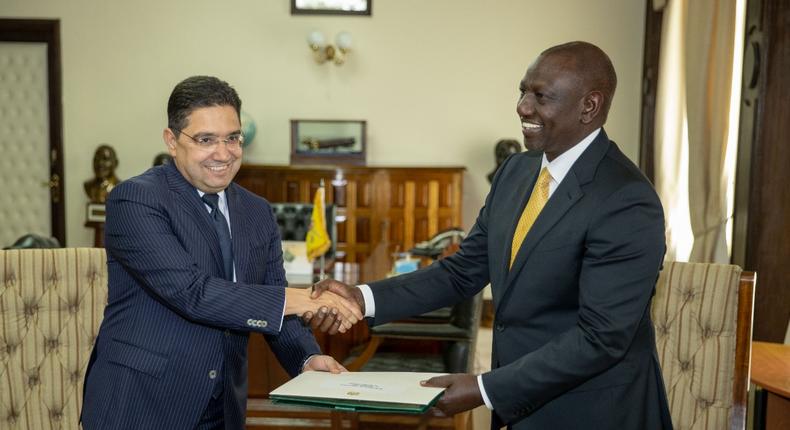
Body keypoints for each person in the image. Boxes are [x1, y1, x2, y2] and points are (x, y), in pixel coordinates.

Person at [307, 42, 672, 429]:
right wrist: (363, 298)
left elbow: (600, 339)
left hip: (593, 412)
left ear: (589, 106)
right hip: (520, 406)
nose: (522, 107)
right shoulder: (516, 171)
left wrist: (483, 388)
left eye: (540, 96)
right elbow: (462, 270)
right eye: (522, 91)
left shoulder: (626, 199)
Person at [81, 76, 363, 430]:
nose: (223, 152)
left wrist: (307, 359)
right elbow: (192, 293)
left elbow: (275, 298)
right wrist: (303, 298)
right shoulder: (136, 200)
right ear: (172, 140)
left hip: (223, 405)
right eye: (205, 140)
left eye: (232, 138)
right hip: (142, 402)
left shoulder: (257, 212)